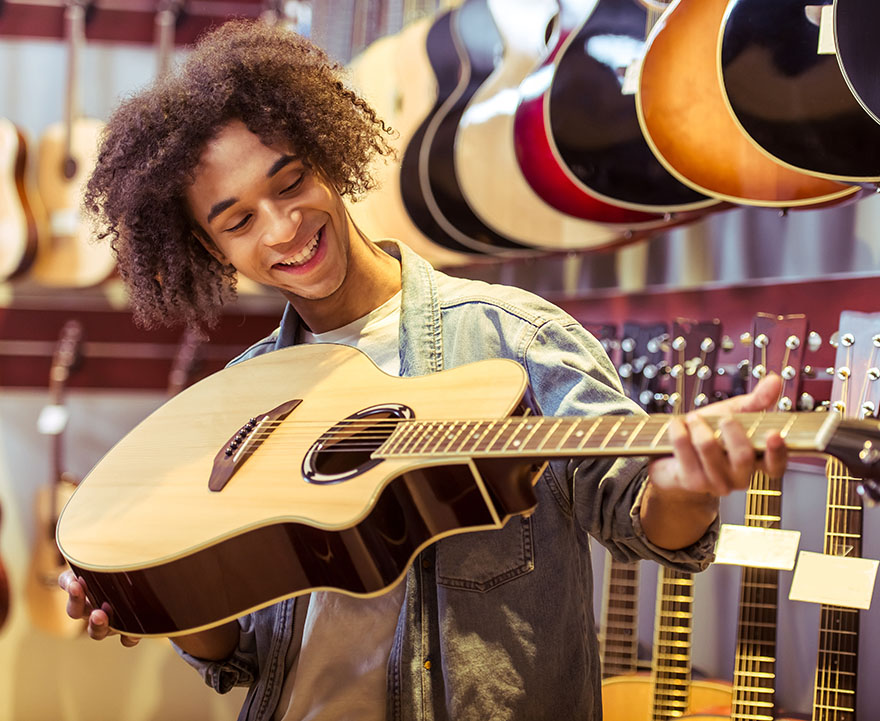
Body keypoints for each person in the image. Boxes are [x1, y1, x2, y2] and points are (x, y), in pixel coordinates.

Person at [58, 19, 788, 721]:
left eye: (290, 183)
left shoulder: (515, 336)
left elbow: (643, 518)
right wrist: (156, 597)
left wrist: (684, 485)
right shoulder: (241, 400)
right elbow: (239, 659)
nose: (283, 228)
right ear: (212, 249)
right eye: (239, 221)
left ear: (327, 155)